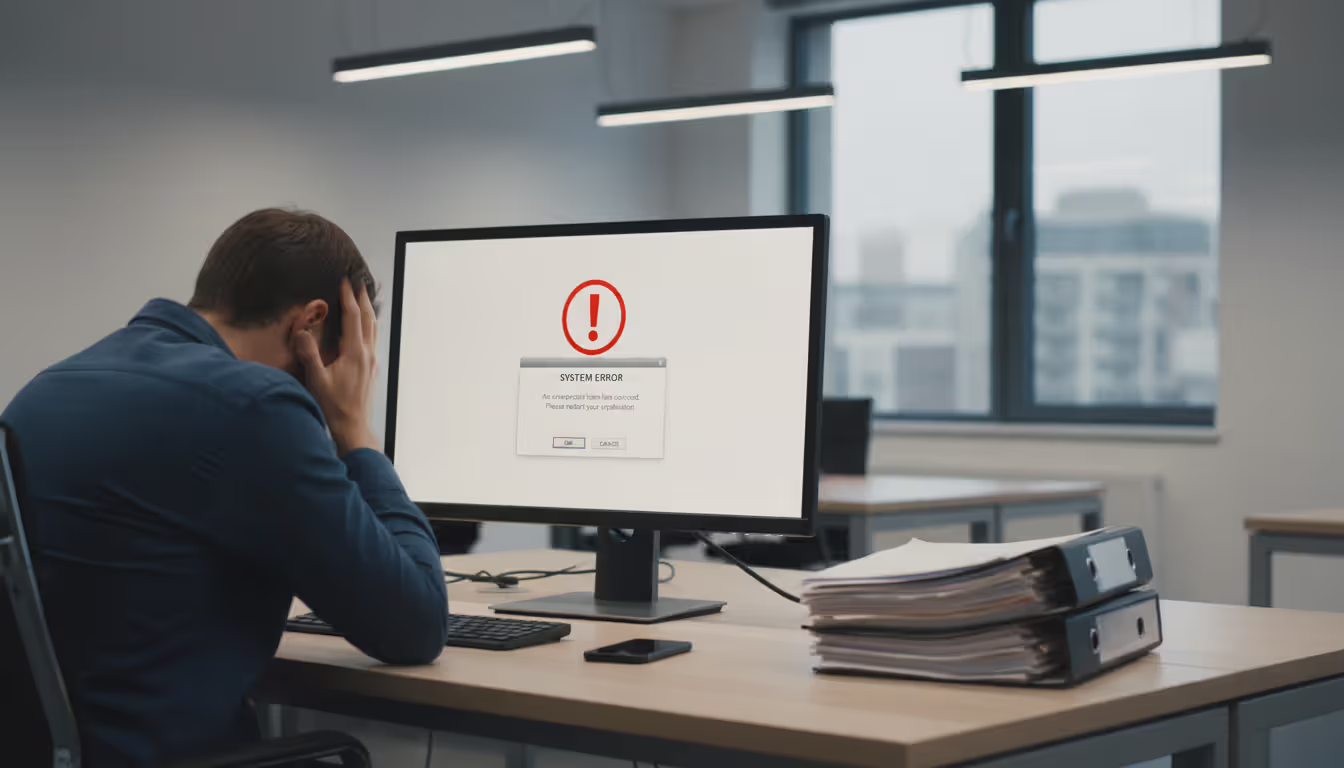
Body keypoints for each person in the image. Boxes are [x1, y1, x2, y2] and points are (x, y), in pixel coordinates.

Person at [1, 208, 450, 767]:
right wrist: (357, 434)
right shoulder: (254, 405)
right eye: (343, 360)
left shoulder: (48, 387)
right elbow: (417, 624)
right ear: (310, 323)